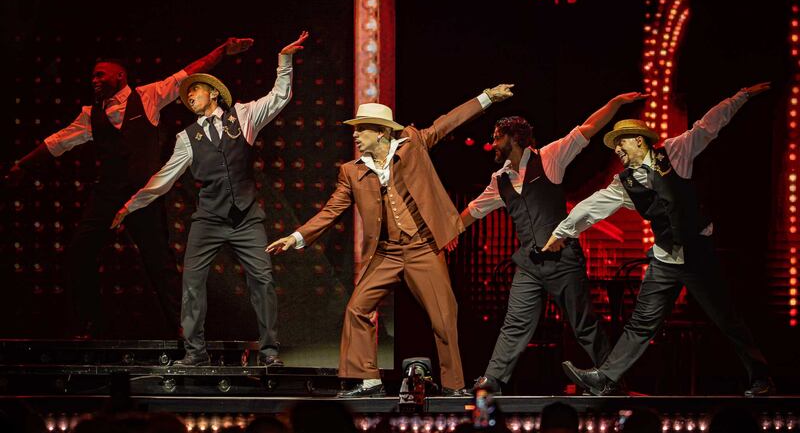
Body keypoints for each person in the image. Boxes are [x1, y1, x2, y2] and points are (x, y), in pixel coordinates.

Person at [268, 84, 514, 396]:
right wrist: (297, 236)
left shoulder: (412, 143)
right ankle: (368, 380)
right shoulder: (351, 172)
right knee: (357, 309)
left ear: (382, 132)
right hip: (386, 253)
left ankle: (454, 385)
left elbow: (448, 122)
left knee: (443, 316)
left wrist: (486, 98)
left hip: (422, 246)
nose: (355, 136)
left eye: (361, 130)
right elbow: (331, 211)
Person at [8, 36, 255, 337]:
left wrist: (223, 50)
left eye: (101, 74)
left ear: (120, 75)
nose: (94, 79)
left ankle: (185, 328)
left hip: (142, 195)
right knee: (79, 252)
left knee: (158, 261)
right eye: (93, 75)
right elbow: (58, 142)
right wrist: (23, 164)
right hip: (108, 194)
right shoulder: (91, 114)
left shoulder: (148, 95)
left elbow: (188, 73)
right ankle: (88, 324)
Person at [543, 82, 774, 396]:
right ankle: (606, 378)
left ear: (639, 141)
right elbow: (592, 207)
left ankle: (761, 378)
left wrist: (740, 97)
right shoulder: (623, 183)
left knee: (725, 317)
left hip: (697, 253)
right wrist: (562, 232)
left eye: (622, 145)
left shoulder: (676, 151)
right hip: (665, 257)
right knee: (642, 322)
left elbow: (708, 126)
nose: (618, 152)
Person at [111, 32, 308, 366]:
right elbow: (163, 180)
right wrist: (129, 206)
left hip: (246, 217)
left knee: (262, 280)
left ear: (214, 93)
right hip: (209, 219)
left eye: (196, 91)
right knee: (192, 282)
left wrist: (285, 60)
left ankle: (270, 352)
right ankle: (195, 353)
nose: (190, 97)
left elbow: (279, 97)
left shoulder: (244, 116)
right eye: (186, 95)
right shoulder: (187, 138)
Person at [459, 92, 646, 394]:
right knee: (515, 321)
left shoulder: (550, 157)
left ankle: (612, 379)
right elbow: (471, 212)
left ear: (513, 137)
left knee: (583, 323)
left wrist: (614, 104)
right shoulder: (500, 179)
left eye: (497, 138)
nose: (492, 144)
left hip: (562, 259)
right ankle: (491, 380)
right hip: (529, 264)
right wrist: (445, 236)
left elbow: (587, 129)